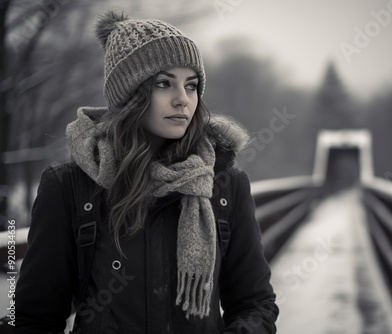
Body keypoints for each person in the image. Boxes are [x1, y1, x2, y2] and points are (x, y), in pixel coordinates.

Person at [15, 10, 279, 334]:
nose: (183, 99)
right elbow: (35, 318)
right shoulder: (70, 188)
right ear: (130, 94)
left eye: (192, 85)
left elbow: (255, 304)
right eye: (163, 83)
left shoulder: (224, 185)